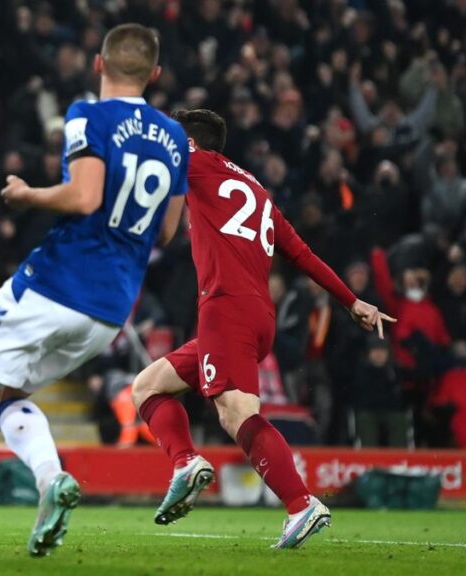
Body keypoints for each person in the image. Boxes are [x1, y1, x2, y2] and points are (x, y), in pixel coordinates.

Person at [0, 24, 189, 559]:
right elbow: (165, 231)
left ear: (98, 64)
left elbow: (86, 197)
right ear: (155, 74)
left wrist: (28, 194)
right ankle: (49, 481)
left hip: (60, 280)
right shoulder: (176, 138)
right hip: (112, 309)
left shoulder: (88, 115)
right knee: (6, 395)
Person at [130, 109, 394, 549]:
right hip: (256, 315)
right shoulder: (256, 190)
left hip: (226, 310)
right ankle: (185, 463)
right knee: (147, 387)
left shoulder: (192, 162)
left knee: (238, 415)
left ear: (189, 141)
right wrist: (352, 300)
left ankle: (299, 504)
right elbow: (303, 254)